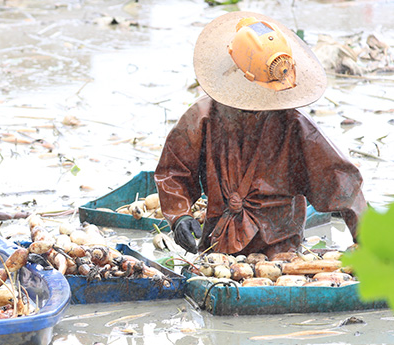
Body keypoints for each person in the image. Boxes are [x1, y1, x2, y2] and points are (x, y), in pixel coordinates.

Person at [154, 11, 367, 257]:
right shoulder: (203, 117)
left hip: (280, 247)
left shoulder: (294, 126)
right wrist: (179, 216)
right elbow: (173, 171)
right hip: (217, 243)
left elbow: (343, 184)